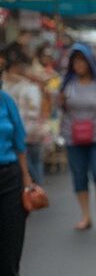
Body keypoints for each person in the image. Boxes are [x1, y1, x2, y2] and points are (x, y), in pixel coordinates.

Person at [0, 56, 39, 276]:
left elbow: (20, 144)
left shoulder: (6, 102)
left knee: (9, 261)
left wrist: (27, 181)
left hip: (10, 182)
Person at [59, 43, 96, 230]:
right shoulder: (67, 85)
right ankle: (86, 215)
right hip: (73, 136)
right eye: (75, 61)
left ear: (89, 62)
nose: (79, 65)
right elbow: (62, 108)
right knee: (79, 175)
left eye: (82, 61)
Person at [3, 45, 48, 184]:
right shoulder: (9, 86)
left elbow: (35, 109)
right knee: (32, 166)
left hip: (29, 133)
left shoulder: (28, 87)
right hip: (25, 133)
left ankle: (35, 191)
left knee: (32, 166)